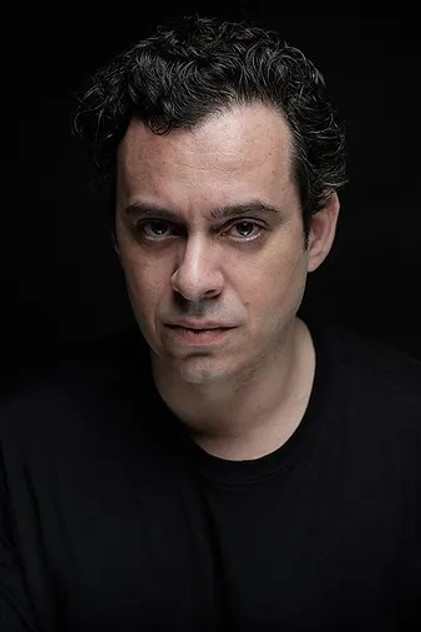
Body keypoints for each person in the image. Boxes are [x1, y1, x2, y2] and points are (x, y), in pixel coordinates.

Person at [1, 13, 420, 632]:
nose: (192, 280)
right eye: (158, 228)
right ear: (116, 234)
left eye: (243, 228)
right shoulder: (19, 453)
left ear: (316, 232)